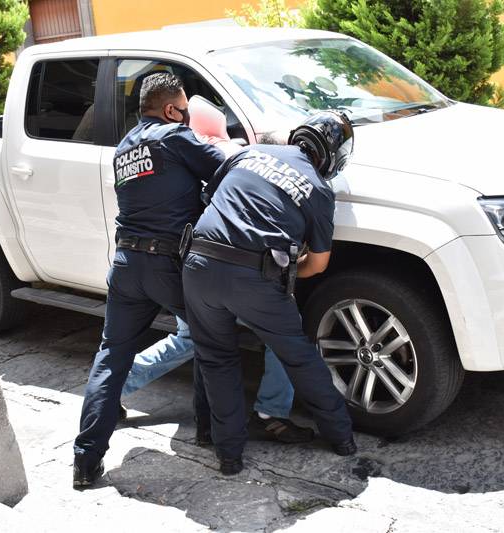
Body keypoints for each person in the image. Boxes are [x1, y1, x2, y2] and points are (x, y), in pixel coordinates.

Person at [121, 95, 311, 445]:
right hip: (213, 269)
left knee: (191, 339)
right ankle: (268, 414)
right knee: (277, 331)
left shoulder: (188, 153)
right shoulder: (215, 156)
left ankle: (116, 384)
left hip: (191, 269)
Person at [182, 112, 358, 475]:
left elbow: (211, 197)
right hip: (255, 277)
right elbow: (318, 265)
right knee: (299, 357)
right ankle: (342, 438)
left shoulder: (250, 153)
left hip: (198, 264)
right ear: (330, 157)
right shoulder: (319, 190)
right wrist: (284, 278)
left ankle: (229, 458)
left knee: (217, 360)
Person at [72, 72, 225, 488]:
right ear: (173, 109)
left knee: (111, 357)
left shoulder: (124, 150)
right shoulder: (177, 136)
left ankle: (85, 462)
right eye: (185, 111)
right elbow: (228, 168)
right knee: (209, 337)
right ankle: (211, 433)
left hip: (125, 265)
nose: (187, 117)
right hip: (168, 264)